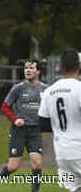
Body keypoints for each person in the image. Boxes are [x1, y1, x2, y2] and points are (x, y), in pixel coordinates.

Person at [0, 59, 48, 192]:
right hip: (19, 131)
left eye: (31, 68)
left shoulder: (45, 88)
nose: (28, 70)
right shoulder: (18, 88)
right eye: (26, 68)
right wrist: (15, 119)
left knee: (37, 162)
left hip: (35, 131)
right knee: (13, 166)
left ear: (38, 71)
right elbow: (4, 107)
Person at [38, 48, 81, 192]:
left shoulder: (50, 91)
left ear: (60, 66)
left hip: (62, 154)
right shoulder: (79, 88)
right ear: (79, 65)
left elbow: (42, 124)